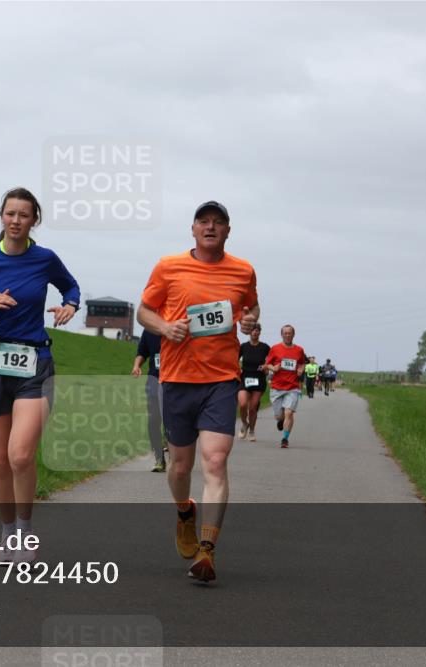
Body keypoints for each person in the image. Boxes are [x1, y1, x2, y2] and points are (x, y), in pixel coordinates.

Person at [0, 187, 81, 565]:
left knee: (20, 455)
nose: (17, 220)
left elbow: (70, 285)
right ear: (1, 217)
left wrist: (71, 304)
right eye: (10, 214)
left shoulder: (45, 259)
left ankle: (25, 532)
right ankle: (6, 533)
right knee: (0, 461)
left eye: (24, 214)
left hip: (35, 363)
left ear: (34, 220)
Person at [137, 200, 260, 583]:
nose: (210, 227)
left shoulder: (243, 271)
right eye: (203, 221)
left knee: (216, 461)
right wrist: (164, 327)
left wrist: (251, 319)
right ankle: (184, 510)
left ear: (227, 231)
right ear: (193, 229)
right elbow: (143, 311)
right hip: (177, 379)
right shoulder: (169, 267)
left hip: (221, 380)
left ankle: (207, 551)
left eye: (218, 223)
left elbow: (251, 310)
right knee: (180, 467)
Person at [262, 325, 307, 448]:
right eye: (285, 333)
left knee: (289, 413)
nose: (287, 335)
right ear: (281, 334)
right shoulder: (275, 348)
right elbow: (267, 365)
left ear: (293, 334)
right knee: (279, 416)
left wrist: (300, 369)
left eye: (290, 333)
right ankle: (280, 420)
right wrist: (273, 368)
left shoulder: (299, 350)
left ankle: (285, 439)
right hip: (277, 387)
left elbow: (302, 363)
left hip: (292, 387)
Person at [132, 329, 166, 472]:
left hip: (175, 382)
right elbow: (142, 352)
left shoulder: (177, 324)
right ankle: (159, 459)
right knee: (153, 422)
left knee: (174, 421)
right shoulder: (149, 331)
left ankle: (177, 454)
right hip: (153, 381)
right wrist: (136, 365)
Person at [237, 323, 270, 441]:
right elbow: (235, 359)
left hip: (259, 379)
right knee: (242, 404)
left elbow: (272, 360)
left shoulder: (265, 347)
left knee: (253, 407)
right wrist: (237, 368)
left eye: (257, 330)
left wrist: (266, 366)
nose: (255, 332)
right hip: (245, 378)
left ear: (260, 332)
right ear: (249, 332)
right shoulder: (244, 346)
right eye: (253, 330)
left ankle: (251, 431)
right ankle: (244, 424)